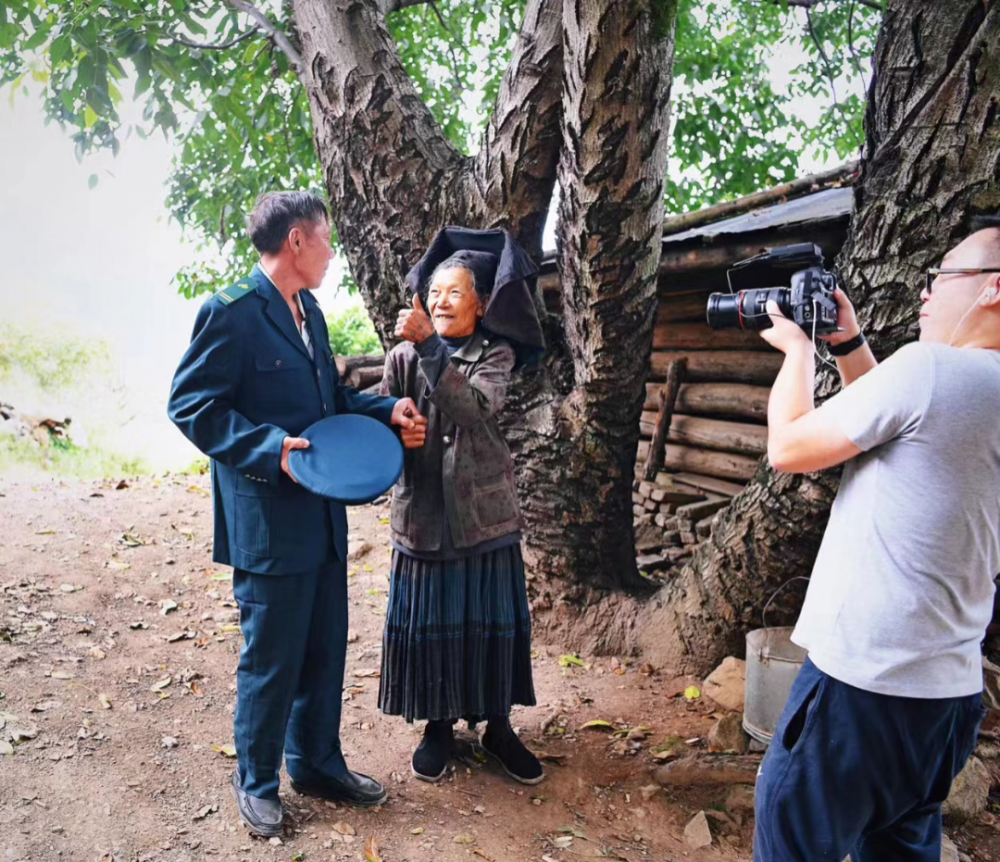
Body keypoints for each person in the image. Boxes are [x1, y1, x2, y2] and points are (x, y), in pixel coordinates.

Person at [167, 191, 425, 837]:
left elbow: (328, 398)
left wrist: (383, 410)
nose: (333, 253)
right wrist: (269, 449)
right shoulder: (231, 313)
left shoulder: (308, 309)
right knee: (272, 658)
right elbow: (192, 405)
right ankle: (255, 781)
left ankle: (314, 763)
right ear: (297, 243)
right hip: (267, 521)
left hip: (321, 518)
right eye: (327, 240)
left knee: (322, 649)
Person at [753, 224, 1000, 862]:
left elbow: (788, 448)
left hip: (863, 686)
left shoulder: (933, 371)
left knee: (792, 842)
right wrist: (851, 344)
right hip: (945, 700)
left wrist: (798, 352)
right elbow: (905, 430)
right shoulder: (969, 387)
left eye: (943, 277)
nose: (926, 294)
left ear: (992, 290)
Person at [377, 226, 547, 785]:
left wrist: (431, 346)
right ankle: (437, 727)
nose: (440, 302)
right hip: (423, 513)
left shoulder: (496, 353)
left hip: (483, 514)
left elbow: (474, 407)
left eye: (454, 293)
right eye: (434, 293)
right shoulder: (402, 356)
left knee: (487, 622)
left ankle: (498, 728)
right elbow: (382, 421)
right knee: (435, 623)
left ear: (481, 305)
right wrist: (393, 428)